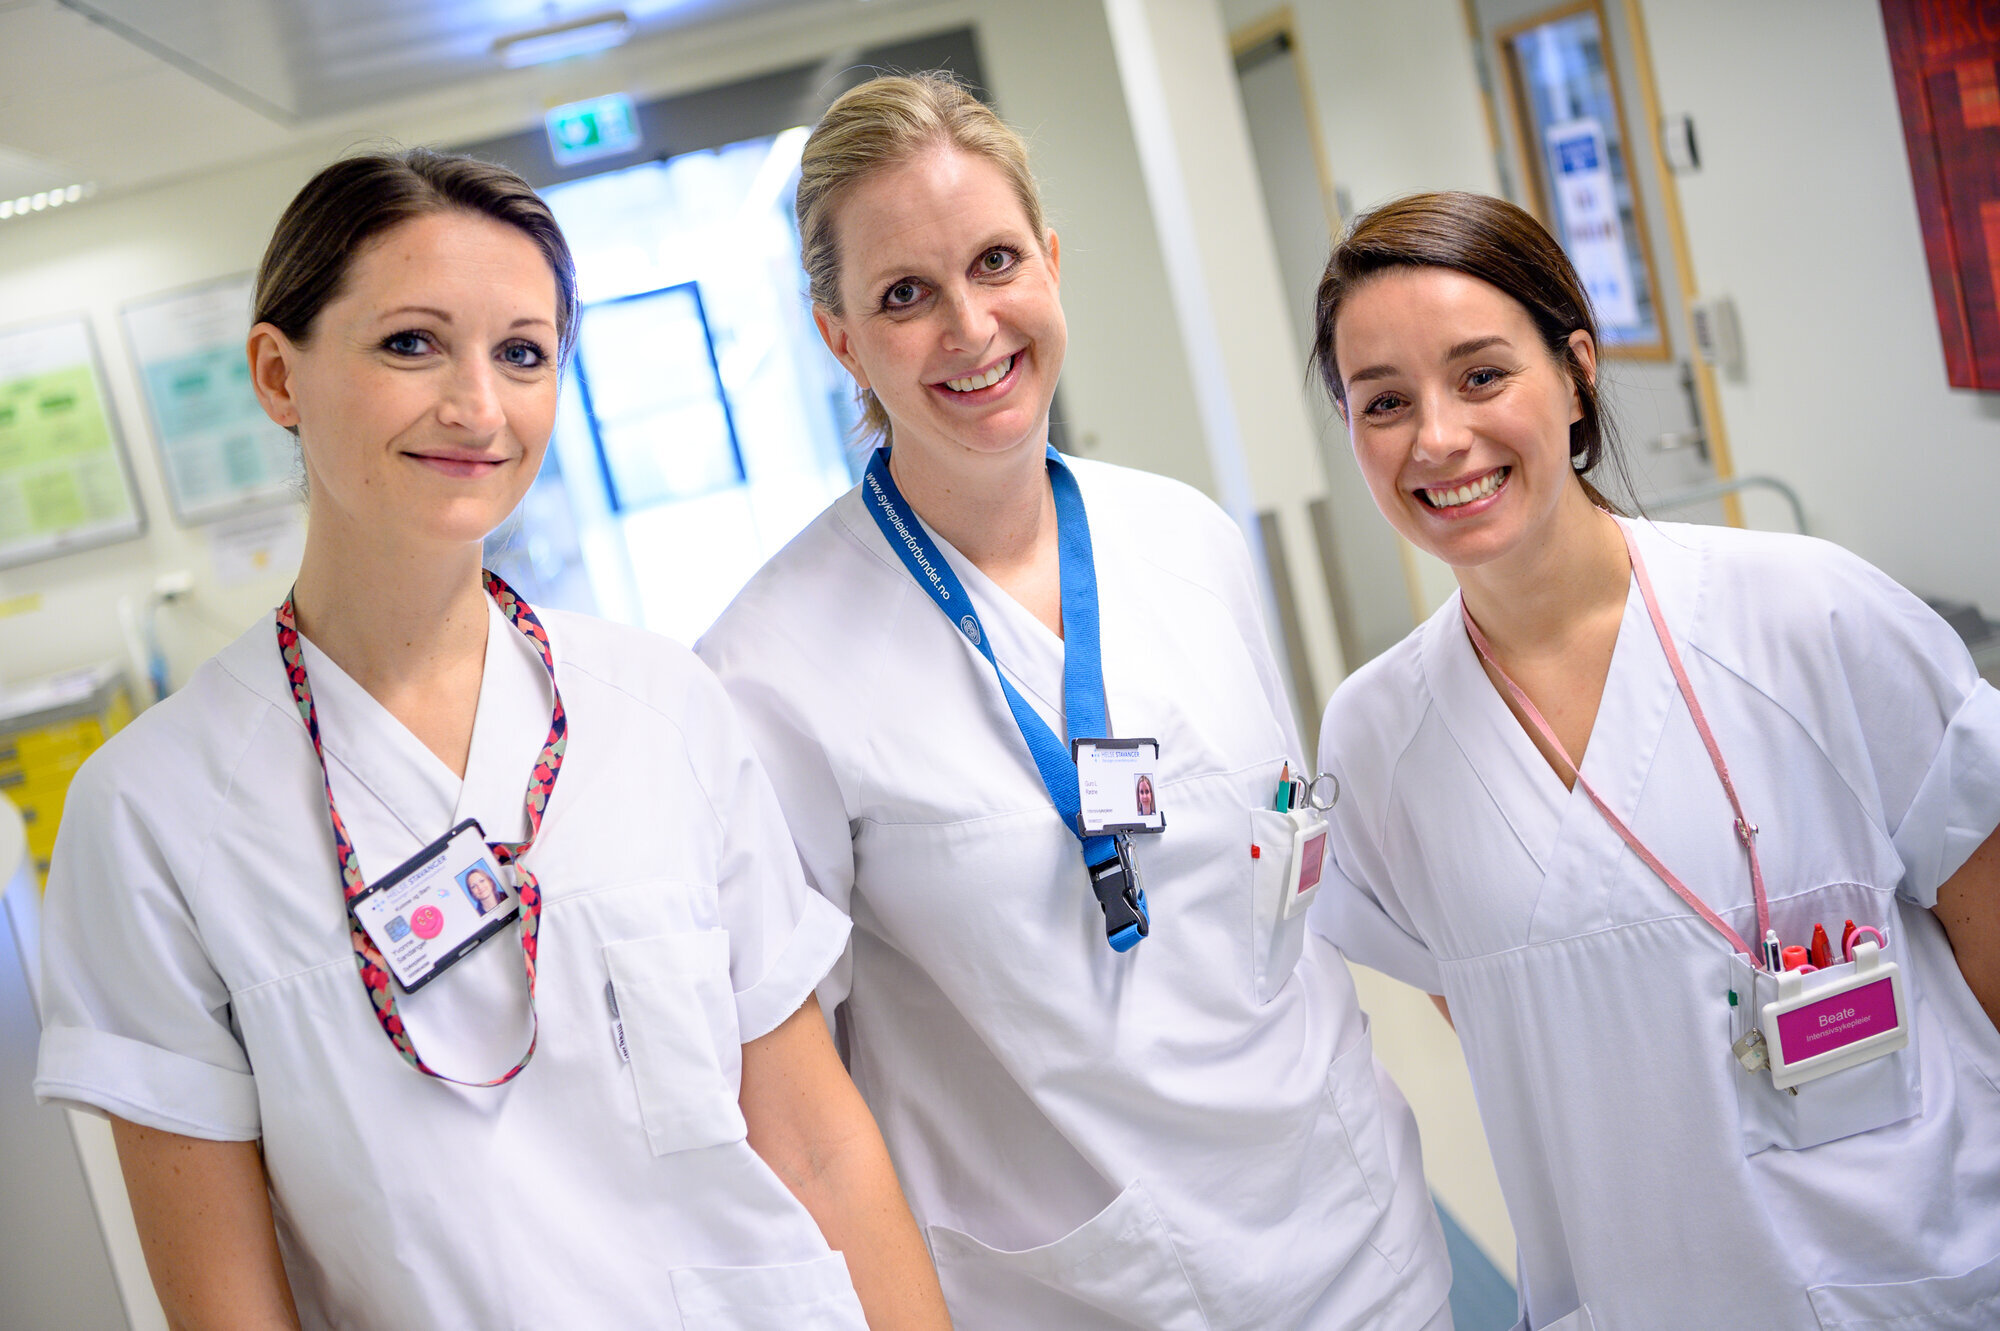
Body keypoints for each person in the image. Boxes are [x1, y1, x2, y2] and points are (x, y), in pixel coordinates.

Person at [34, 148, 948, 1331]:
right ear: (278, 373)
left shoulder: (659, 705)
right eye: (411, 343)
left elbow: (817, 1144)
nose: (477, 407)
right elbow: (226, 1299)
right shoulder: (152, 812)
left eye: (522, 352)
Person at [698, 74, 1452, 1330]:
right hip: (1077, 1289)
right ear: (838, 336)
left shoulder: (1187, 538)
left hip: (1354, 1232)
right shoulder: (762, 673)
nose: (970, 326)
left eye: (995, 262)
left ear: (1049, 259)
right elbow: (791, 1102)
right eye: (903, 294)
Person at [1308, 191, 2000, 1330]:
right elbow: (1527, 1033)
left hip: (1920, 1279)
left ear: (1574, 371)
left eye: (1480, 374)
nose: (1435, 436)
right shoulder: (1376, 737)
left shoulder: (1806, 616)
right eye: (1383, 401)